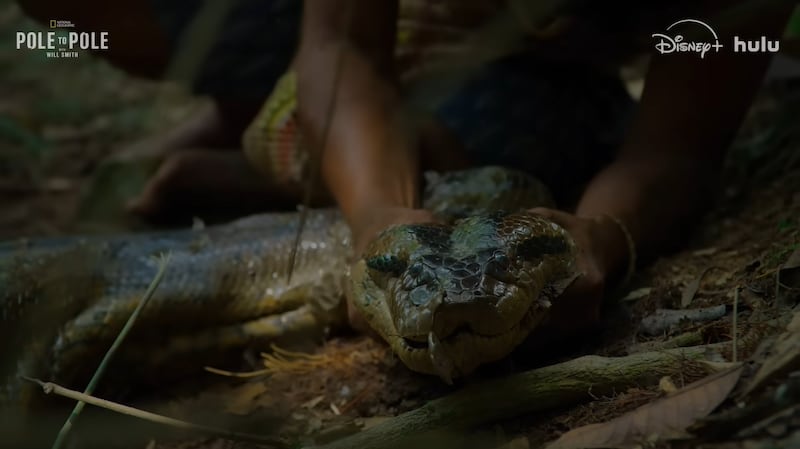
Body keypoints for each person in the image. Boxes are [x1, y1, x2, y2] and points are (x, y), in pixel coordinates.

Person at [17, 0, 792, 333]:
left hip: (534, 72)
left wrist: (602, 235)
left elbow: (675, 150)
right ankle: (251, 111)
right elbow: (343, 46)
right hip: (347, 23)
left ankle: (268, 144)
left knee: (493, 164)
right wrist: (375, 214)